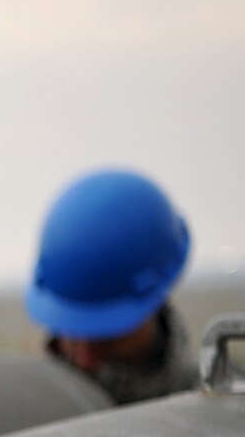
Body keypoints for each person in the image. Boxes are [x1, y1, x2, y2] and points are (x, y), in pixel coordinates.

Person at [26, 168, 198, 405]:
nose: (86, 360)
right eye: (73, 337)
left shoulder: (220, 412)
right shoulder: (27, 406)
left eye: (106, 338)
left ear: (156, 301)